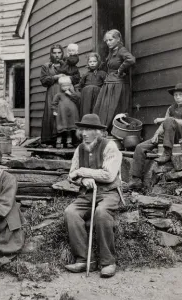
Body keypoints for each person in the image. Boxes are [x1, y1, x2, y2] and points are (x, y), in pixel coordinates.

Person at [64, 114, 122, 278]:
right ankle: (85, 260)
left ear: (98, 132)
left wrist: (82, 172)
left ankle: (108, 262)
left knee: (101, 213)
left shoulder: (110, 147)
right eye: (82, 129)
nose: (84, 133)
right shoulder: (80, 149)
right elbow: (71, 175)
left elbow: (109, 175)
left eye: (88, 129)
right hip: (88, 194)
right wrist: (83, 180)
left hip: (108, 192)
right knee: (71, 212)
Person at [128, 83, 182, 189]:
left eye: (181, 95)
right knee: (140, 147)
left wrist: (163, 119)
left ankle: (167, 152)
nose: (178, 97)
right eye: (176, 95)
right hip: (167, 136)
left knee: (170, 120)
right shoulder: (171, 108)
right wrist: (156, 134)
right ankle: (136, 180)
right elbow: (163, 125)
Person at [93, 29, 135, 131]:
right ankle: (104, 131)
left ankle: (113, 131)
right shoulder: (112, 51)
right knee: (104, 108)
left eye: (110, 40)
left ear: (118, 39)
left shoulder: (122, 50)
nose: (108, 42)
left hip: (117, 84)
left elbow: (131, 59)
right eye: (106, 41)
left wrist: (121, 69)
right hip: (110, 83)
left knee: (113, 108)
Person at [40, 44, 66, 147]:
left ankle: (64, 140)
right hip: (52, 91)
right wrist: (55, 77)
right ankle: (50, 140)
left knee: (63, 113)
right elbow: (43, 81)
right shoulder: (46, 66)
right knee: (51, 113)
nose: (57, 55)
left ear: (62, 53)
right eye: (54, 53)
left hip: (64, 91)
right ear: (51, 54)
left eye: (59, 53)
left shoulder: (66, 65)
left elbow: (74, 76)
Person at [52, 76, 80, 148]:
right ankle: (58, 142)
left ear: (70, 85)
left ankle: (69, 142)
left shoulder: (72, 94)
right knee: (61, 128)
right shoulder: (59, 95)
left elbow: (77, 100)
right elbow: (54, 103)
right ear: (60, 86)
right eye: (63, 86)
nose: (65, 87)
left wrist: (70, 94)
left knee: (70, 129)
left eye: (67, 85)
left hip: (72, 114)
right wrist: (54, 111)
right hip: (62, 115)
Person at [77, 52, 107, 119]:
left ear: (98, 62)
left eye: (94, 61)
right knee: (86, 111)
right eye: (90, 62)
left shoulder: (102, 73)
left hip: (97, 95)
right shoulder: (86, 74)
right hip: (87, 96)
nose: (92, 63)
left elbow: (105, 85)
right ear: (88, 63)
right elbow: (80, 86)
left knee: (95, 110)